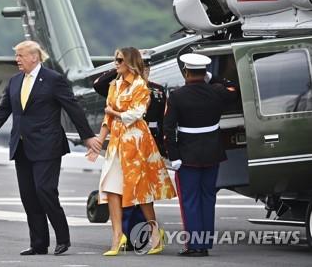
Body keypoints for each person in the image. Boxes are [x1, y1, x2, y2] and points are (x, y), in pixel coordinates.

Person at [0, 40, 101, 256]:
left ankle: (63, 238)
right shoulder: (15, 81)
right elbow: (4, 109)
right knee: (28, 196)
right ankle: (39, 243)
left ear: (34, 57)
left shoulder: (53, 80)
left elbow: (72, 108)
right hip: (21, 146)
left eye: (20, 56)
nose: (17, 60)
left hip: (47, 145)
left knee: (45, 191)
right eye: (16, 56)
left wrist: (87, 137)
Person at [87, 47, 176, 256]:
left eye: (119, 60)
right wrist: (99, 140)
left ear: (130, 62)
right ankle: (117, 236)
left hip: (136, 140)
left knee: (140, 191)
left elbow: (135, 114)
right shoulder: (114, 85)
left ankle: (155, 232)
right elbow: (107, 117)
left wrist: (114, 112)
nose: (115, 63)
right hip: (116, 140)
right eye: (114, 59)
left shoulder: (141, 87)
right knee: (111, 188)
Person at [163, 53, 238, 257]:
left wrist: (174, 155)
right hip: (213, 152)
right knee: (207, 198)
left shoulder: (177, 96)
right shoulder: (217, 91)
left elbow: (168, 128)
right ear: (204, 73)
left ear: (186, 72)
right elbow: (234, 89)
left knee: (190, 200)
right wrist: (213, 78)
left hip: (187, 155)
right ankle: (204, 244)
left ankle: (194, 246)